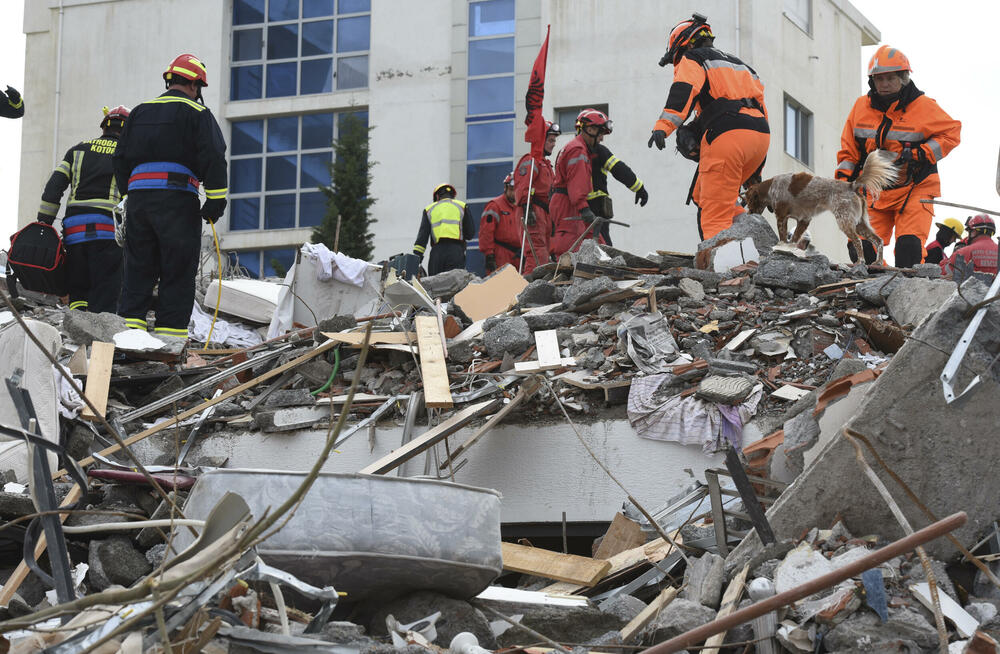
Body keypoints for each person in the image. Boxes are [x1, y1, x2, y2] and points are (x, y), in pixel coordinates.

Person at [114, 54, 228, 339]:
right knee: (177, 269)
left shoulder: (139, 111)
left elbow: (119, 158)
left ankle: (129, 339)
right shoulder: (198, 113)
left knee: (138, 269)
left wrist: (130, 194)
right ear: (194, 85)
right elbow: (214, 156)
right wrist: (215, 201)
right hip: (177, 200)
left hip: (139, 201)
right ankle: (170, 340)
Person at [647, 14, 769, 249]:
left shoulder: (693, 58)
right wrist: (756, 172)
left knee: (713, 215)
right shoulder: (742, 66)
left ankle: (725, 274)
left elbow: (684, 91)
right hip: (759, 138)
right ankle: (752, 233)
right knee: (703, 194)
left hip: (727, 137)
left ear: (685, 44)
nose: (677, 63)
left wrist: (663, 127)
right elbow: (762, 111)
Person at [836, 45, 961, 268]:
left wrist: (920, 153)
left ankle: (906, 294)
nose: (883, 84)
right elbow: (850, 150)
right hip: (874, 191)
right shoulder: (860, 107)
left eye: (890, 78)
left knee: (909, 251)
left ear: (903, 78)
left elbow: (952, 133)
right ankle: (876, 289)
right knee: (861, 250)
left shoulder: (923, 107)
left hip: (915, 188)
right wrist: (843, 183)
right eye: (878, 78)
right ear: (871, 80)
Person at [37, 106, 129, 313]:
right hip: (108, 233)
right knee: (105, 290)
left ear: (104, 127)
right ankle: (96, 339)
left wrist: (43, 224)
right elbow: (133, 197)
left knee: (78, 289)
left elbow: (53, 188)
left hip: (74, 233)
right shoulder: (127, 155)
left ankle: (77, 326)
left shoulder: (77, 150)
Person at [550, 109, 611, 258]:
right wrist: (584, 208)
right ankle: (566, 277)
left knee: (597, 244)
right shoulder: (577, 150)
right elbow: (576, 185)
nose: (601, 139)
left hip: (571, 203)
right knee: (570, 246)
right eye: (601, 133)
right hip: (569, 204)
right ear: (590, 129)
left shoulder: (576, 148)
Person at [513, 121, 560, 273]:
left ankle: (536, 287)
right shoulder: (531, 161)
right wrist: (527, 207)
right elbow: (523, 186)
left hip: (543, 214)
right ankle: (529, 289)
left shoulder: (544, 164)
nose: (553, 144)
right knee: (536, 253)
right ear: (541, 139)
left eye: (554, 140)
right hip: (532, 211)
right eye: (551, 140)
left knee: (544, 255)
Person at [589, 145, 649, 246]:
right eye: (600, 133)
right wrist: (639, 188)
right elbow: (619, 169)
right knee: (604, 250)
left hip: (582, 211)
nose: (602, 138)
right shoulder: (598, 150)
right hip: (597, 210)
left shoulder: (571, 150)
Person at [413, 183, 475, 275]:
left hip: (437, 253)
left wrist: (416, 259)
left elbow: (422, 238)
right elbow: (470, 234)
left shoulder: (429, 209)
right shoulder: (462, 206)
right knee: (455, 285)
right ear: (453, 196)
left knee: (435, 285)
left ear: (437, 197)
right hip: (456, 252)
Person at [478, 172, 522, 274]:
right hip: (501, 254)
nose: (514, 193)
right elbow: (486, 232)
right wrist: (489, 255)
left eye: (516, 190)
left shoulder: (523, 208)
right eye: (511, 190)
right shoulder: (495, 206)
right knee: (500, 286)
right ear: (505, 188)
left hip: (519, 256)